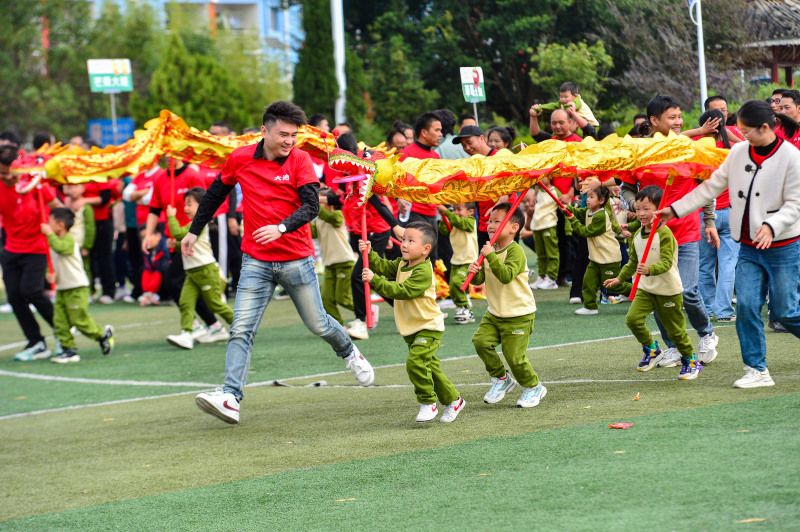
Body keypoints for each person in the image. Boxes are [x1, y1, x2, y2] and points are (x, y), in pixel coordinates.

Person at [188, 101, 375, 424]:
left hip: (296, 260)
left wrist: (281, 228)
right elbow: (216, 194)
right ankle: (231, 397)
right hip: (255, 261)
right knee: (241, 329)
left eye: (293, 135)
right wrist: (193, 231)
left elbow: (311, 207)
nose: (289, 141)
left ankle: (349, 352)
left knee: (319, 324)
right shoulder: (240, 158)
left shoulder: (300, 160)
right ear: (265, 131)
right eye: (283, 134)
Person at [660, 100, 800, 388]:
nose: (741, 136)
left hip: (783, 246)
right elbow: (711, 186)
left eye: (746, 131)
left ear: (765, 128)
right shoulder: (738, 152)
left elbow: (795, 203)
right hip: (748, 246)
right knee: (746, 306)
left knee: (786, 312)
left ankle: (758, 367)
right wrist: (674, 209)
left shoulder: (791, 157)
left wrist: (771, 226)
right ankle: (756, 370)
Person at [619, 95, 719, 367]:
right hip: (654, 235)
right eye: (671, 117)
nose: (678, 122)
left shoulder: (689, 149)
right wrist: (636, 206)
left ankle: (706, 333)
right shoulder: (640, 153)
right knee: (660, 294)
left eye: (679, 117)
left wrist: (709, 222)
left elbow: (705, 189)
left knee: (686, 291)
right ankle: (673, 346)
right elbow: (626, 188)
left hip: (685, 231)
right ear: (654, 120)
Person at [361, 223, 465, 423]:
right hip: (411, 328)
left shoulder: (423, 271)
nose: (404, 244)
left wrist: (375, 280)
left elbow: (403, 291)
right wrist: (370, 253)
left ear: (426, 249)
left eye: (410, 241)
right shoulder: (403, 263)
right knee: (430, 368)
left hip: (428, 326)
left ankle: (428, 402)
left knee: (415, 363)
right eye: (403, 240)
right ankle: (454, 400)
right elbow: (384, 267)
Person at [605, 186, 701, 380]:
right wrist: (619, 278)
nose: (641, 213)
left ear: (659, 210)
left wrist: (650, 269)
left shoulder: (664, 234)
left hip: (668, 290)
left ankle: (690, 360)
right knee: (632, 319)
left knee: (675, 330)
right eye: (638, 209)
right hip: (645, 289)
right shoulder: (637, 235)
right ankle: (651, 349)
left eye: (646, 209)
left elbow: (667, 262)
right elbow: (633, 262)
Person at [469, 202, 547, 408]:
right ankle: (501, 378)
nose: (490, 225)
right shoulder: (490, 249)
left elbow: (506, 276)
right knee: (480, 342)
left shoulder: (515, 251)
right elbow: (480, 280)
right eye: (489, 221)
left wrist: (489, 256)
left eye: (497, 221)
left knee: (514, 357)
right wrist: (474, 271)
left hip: (518, 314)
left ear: (514, 228)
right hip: (495, 312)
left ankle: (534, 387)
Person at [0, 145, 63, 361]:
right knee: (14, 296)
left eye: (9, 172)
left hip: (36, 248)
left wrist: (56, 231)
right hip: (11, 248)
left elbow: (58, 208)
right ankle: (36, 341)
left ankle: (62, 331)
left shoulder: (36, 184)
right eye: (1, 173)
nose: (6, 177)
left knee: (32, 291)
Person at [42, 208, 114, 363]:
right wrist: (49, 274)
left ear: (60, 225)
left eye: (50, 222)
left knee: (79, 319)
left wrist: (49, 234)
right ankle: (69, 350)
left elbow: (62, 249)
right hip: (62, 288)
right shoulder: (52, 241)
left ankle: (102, 334)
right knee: (59, 322)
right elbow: (52, 261)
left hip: (76, 287)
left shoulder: (68, 240)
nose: (47, 225)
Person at [165, 188, 233, 350]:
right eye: (185, 204)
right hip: (193, 272)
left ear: (202, 206)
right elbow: (186, 242)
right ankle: (187, 334)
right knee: (185, 302)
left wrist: (171, 217)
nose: (185, 208)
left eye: (189, 204)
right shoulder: (194, 225)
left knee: (215, 304)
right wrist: (176, 244)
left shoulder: (198, 223)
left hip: (205, 270)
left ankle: (243, 327)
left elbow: (179, 233)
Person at [693, 109, 738, 322]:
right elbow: (753, 147)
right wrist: (729, 134)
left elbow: (674, 139)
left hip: (703, 213)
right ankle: (724, 311)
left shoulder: (696, 148)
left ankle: (708, 309)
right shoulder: (732, 149)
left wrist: (699, 131)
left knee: (705, 265)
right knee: (728, 265)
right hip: (729, 212)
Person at [568, 187, 626, 315]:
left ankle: (643, 294)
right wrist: (566, 208)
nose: (587, 200)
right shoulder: (589, 211)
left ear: (601, 200)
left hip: (609, 257)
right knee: (588, 282)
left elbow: (586, 232)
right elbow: (578, 212)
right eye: (587, 196)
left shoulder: (600, 216)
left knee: (614, 286)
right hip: (596, 258)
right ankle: (590, 307)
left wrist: (572, 220)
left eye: (591, 197)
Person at [314, 189, 355, 325]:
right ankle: (339, 327)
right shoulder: (319, 219)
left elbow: (329, 217)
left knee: (342, 298)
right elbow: (310, 232)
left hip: (344, 261)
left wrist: (312, 202)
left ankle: (367, 312)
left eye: (321, 199)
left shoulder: (338, 215)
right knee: (326, 299)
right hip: (329, 264)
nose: (319, 202)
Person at [400, 112, 443, 230]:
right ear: (424, 132)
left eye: (440, 130)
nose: (440, 134)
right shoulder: (406, 154)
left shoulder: (436, 157)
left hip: (432, 214)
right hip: (413, 214)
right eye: (437, 130)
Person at [437, 202, 478, 324]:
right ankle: (461, 307)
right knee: (452, 286)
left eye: (459, 209)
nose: (455, 212)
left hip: (468, 260)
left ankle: (466, 307)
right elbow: (443, 230)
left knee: (457, 282)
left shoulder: (470, 221)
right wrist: (444, 218)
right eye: (454, 209)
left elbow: (462, 224)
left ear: (470, 212)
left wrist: (447, 212)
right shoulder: (455, 221)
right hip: (456, 259)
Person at [530, 179, 560, 290]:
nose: (541, 178)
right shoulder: (538, 191)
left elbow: (564, 201)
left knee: (551, 254)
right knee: (540, 255)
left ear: (550, 176)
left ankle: (551, 279)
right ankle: (542, 277)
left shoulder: (555, 191)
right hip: (536, 225)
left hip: (549, 225)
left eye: (544, 176)